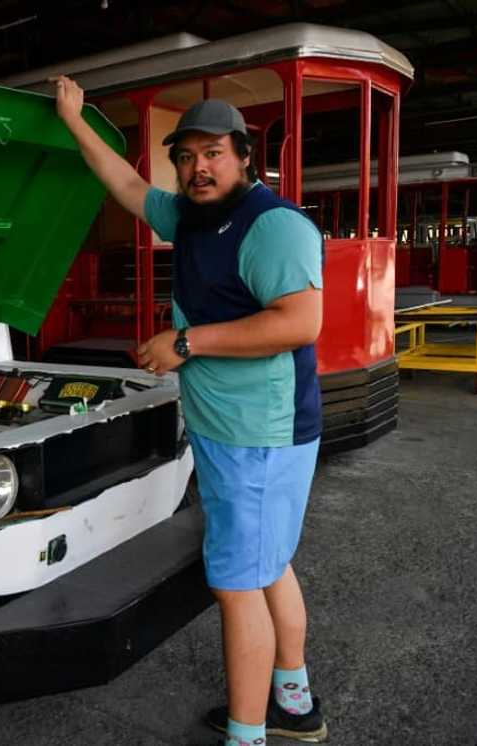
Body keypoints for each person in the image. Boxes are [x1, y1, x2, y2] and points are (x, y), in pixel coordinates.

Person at [52, 75, 329, 746]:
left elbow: (301, 322)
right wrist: (73, 119)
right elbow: (122, 185)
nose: (198, 167)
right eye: (186, 156)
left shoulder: (273, 226)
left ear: (242, 156)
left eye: (213, 153)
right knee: (268, 568)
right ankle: (292, 704)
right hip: (234, 431)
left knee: (237, 585)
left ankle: (247, 735)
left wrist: (185, 342)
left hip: (258, 436)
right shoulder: (191, 215)